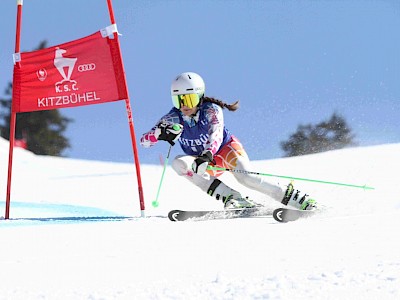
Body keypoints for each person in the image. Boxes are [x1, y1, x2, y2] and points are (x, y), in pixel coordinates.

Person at [140, 72, 317, 210]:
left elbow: (215, 135)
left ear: (200, 97)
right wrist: (158, 134)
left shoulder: (211, 110)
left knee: (247, 178)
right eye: (178, 100)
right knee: (179, 163)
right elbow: (144, 142)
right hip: (202, 163)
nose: (184, 105)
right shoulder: (172, 117)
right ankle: (233, 198)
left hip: (225, 152)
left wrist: (208, 154)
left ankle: (296, 198)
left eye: (189, 99)